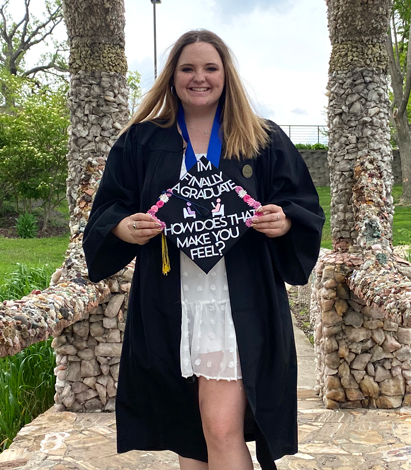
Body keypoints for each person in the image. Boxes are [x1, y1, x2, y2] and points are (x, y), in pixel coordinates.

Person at [82, 29, 324, 470]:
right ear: (172, 76)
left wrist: (284, 220)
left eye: (210, 68)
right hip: (169, 301)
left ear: (225, 74)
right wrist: (121, 227)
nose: (200, 77)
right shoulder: (141, 140)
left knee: (220, 429)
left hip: (236, 304)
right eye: (188, 68)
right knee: (189, 433)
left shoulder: (260, 138)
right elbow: (109, 206)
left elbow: (302, 205)